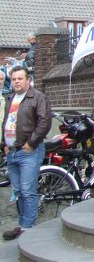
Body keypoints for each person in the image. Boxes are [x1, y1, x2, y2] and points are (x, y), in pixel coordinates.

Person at [1, 65, 50, 240]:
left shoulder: (37, 97)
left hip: (29, 151)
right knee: (18, 190)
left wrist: (31, 143)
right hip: (12, 152)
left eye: (20, 78)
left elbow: (44, 122)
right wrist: (4, 145)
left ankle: (28, 228)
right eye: (14, 79)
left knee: (28, 190)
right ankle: (23, 224)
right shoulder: (11, 98)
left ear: (28, 79)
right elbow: (6, 122)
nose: (16, 82)